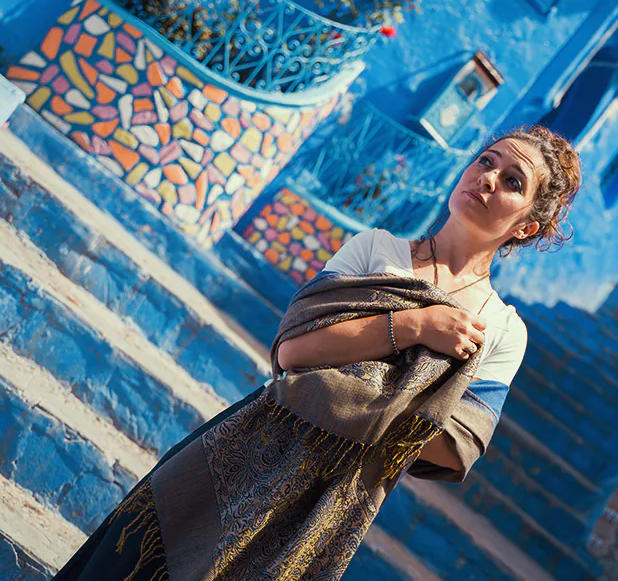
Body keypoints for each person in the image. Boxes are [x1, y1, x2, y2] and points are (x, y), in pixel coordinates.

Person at [53, 125, 582, 581]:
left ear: (526, 226)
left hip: (331, 504)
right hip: (243, 447)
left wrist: (350, 380)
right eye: (485, 161)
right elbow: (295, 351)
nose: (487, 178)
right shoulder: (377, 250)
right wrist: (415, 328)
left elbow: (453, 449)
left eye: (513, 181)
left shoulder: (503, 330)